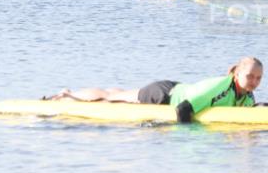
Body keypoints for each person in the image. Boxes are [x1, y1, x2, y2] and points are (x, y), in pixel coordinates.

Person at [48, 57, 262, 122]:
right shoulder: (221, 86)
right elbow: (183, 110)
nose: (254, 81)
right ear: (237, 75)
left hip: (174, 89)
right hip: (164, 95)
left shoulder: (247, 95)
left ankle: (72, 94)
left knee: (119, 94)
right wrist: (188, 134)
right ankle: (69, 96)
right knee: (109, 99)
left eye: (258, 78)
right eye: (250, 76)